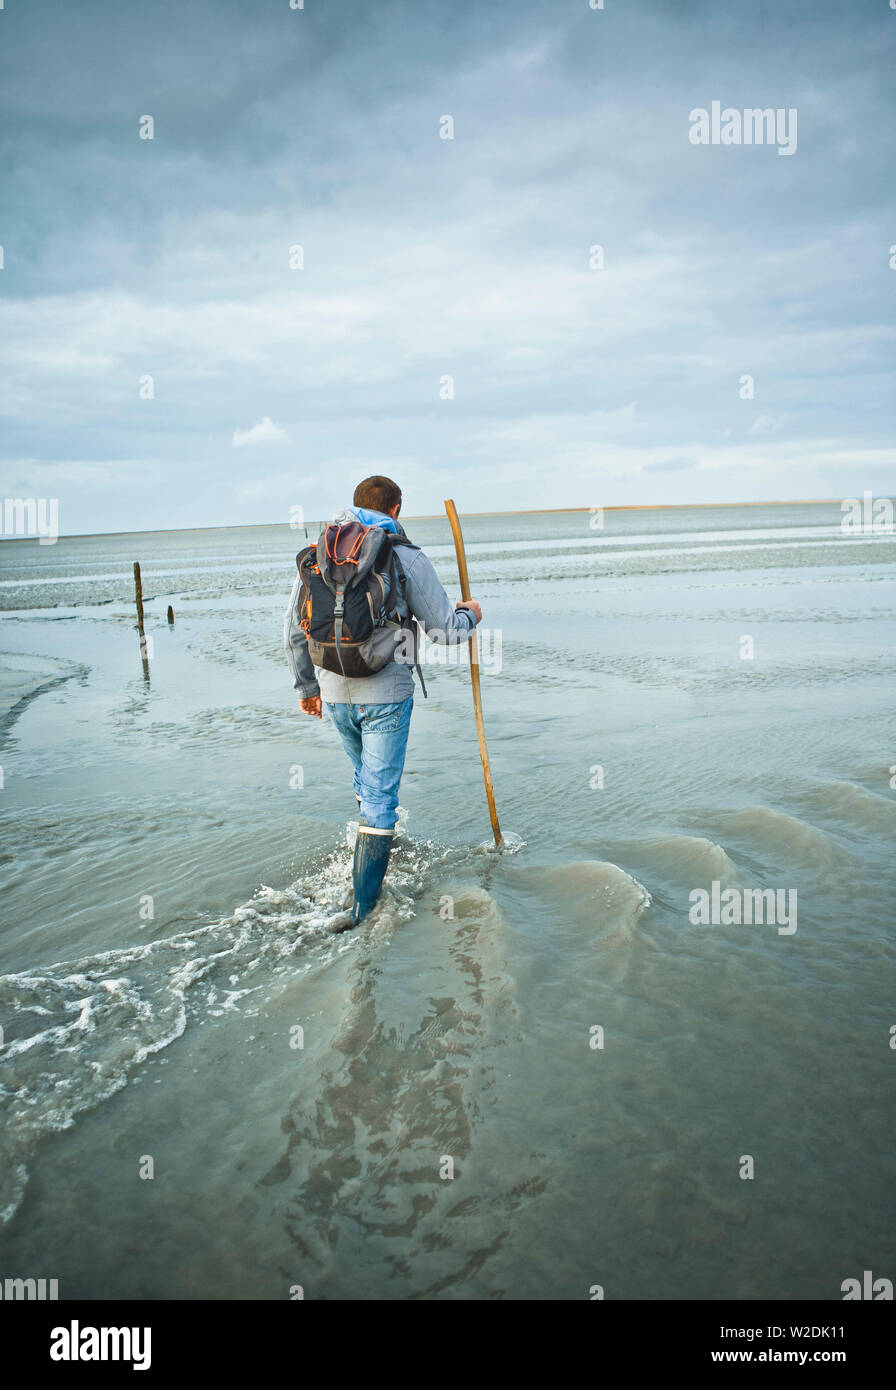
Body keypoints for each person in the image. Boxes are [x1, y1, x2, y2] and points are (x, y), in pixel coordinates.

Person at [284, 475, 482, 928]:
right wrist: (472, 613)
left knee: (366, 782)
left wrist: (307, 689)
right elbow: (445, 631)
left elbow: (294, 629)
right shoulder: (404, 555)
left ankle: (368, 860)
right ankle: (363, 908)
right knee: (379, 797)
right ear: (397, 509)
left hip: (333, 690)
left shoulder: (321, 552)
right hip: (386, 693)